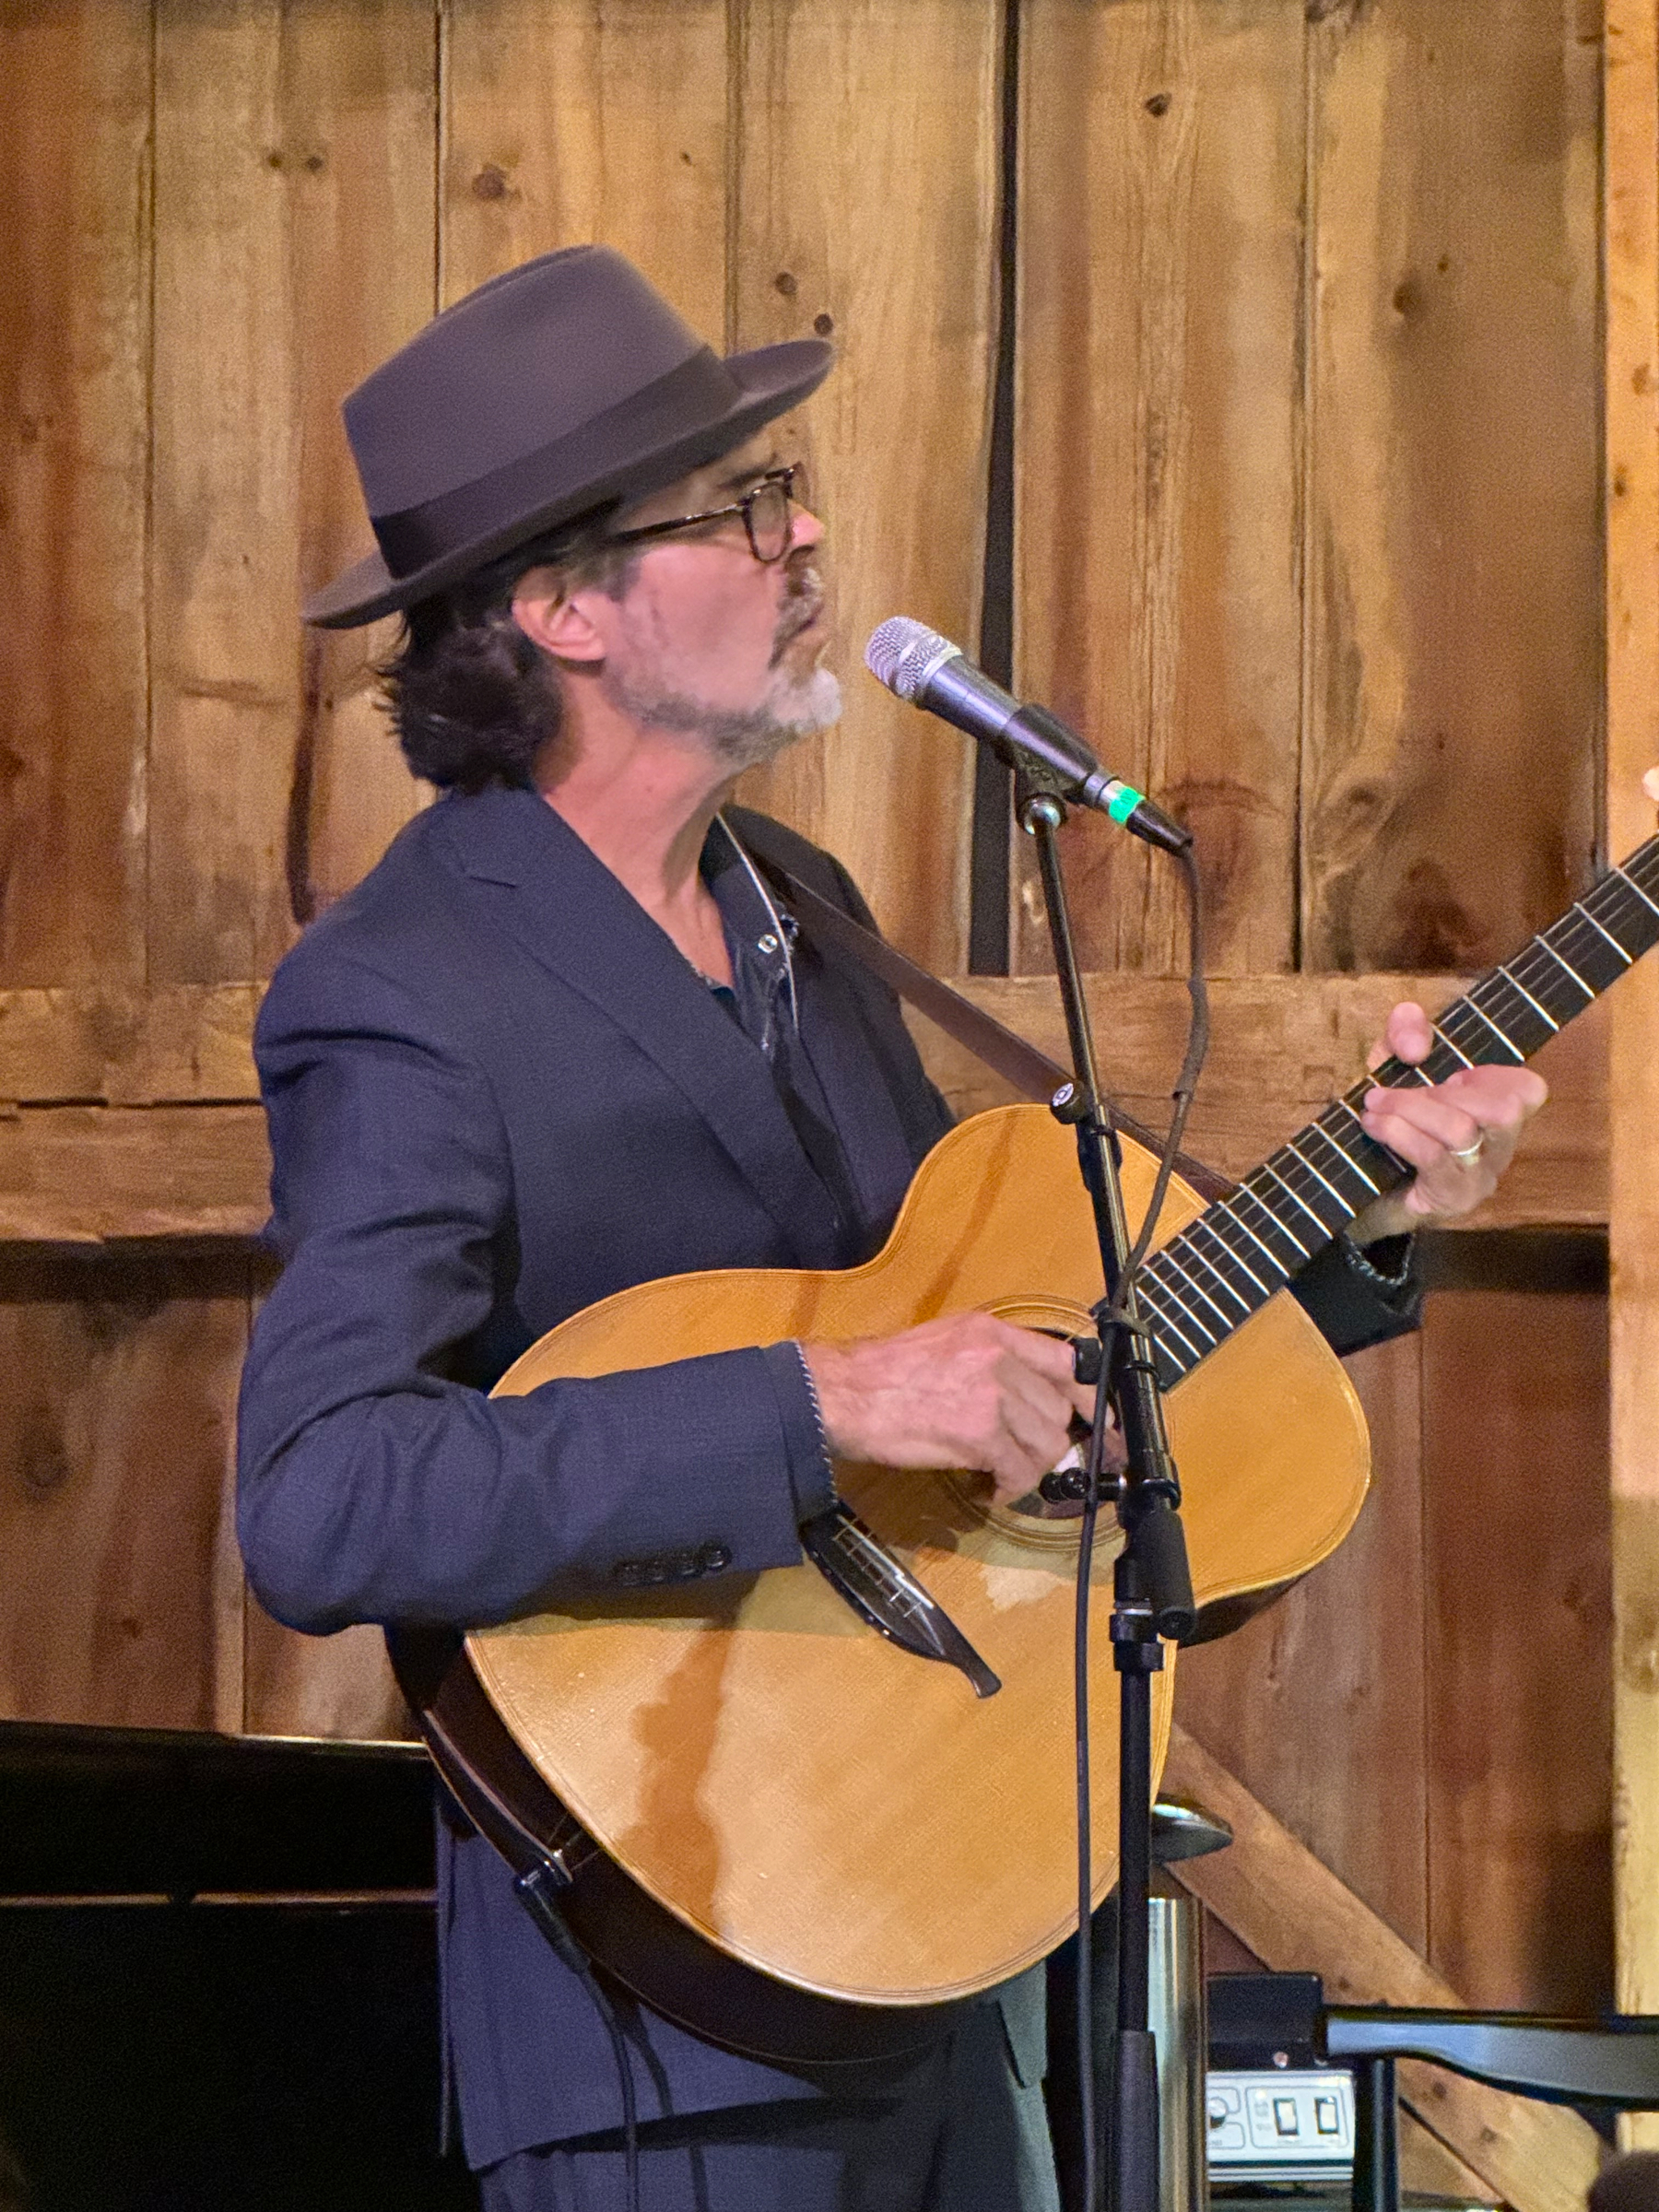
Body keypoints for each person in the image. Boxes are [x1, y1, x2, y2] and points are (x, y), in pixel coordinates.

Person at [235, 246, 1546, 2212]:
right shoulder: (409, 987)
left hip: (946, 1963)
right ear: (564, 607)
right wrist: (824, 1401)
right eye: (743, 506)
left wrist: (1362, 1207)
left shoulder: (803, 907)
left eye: (788, 489)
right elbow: (322, 1499)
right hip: (659, 2031)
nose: (808, 535)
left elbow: (1011, 1366)